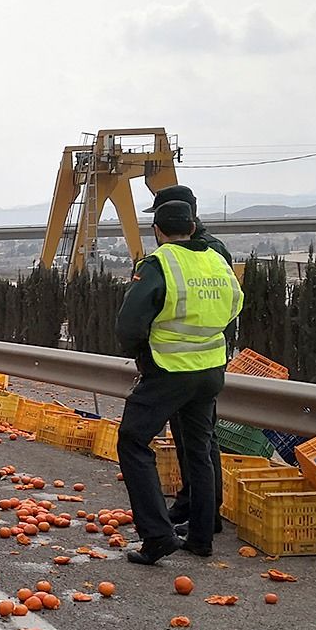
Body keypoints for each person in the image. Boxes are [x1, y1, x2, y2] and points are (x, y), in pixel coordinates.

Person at [115, 201, 243, 564]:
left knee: (133, 440)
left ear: (157, 230)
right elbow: (235, 305)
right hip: (210, 369)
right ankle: (202, 536)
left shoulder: (160, 263)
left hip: (169, 370)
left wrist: (146, 353)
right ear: (193, 225)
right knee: (199, 450)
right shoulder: (216, 259)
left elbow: (129, 324)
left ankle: (157, 535)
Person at [144, 185, 234, 536]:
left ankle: (204, 514)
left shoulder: (204, 251)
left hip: (193, 360)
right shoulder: (212, 248)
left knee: (199, 441)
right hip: (200, 357)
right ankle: (194, 506)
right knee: (192, 439)